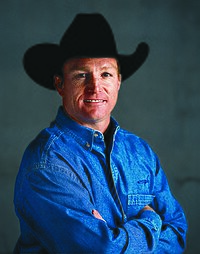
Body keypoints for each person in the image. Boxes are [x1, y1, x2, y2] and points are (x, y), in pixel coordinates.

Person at [14, 13, 187, 253]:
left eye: (105, 74)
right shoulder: (47, 163)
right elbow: (99, 250)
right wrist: (151, 221)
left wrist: (116, 238)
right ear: (60, 84)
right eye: (81, 75)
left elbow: (178, 235)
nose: (95, 87)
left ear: (118, 81)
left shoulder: (140, 152)